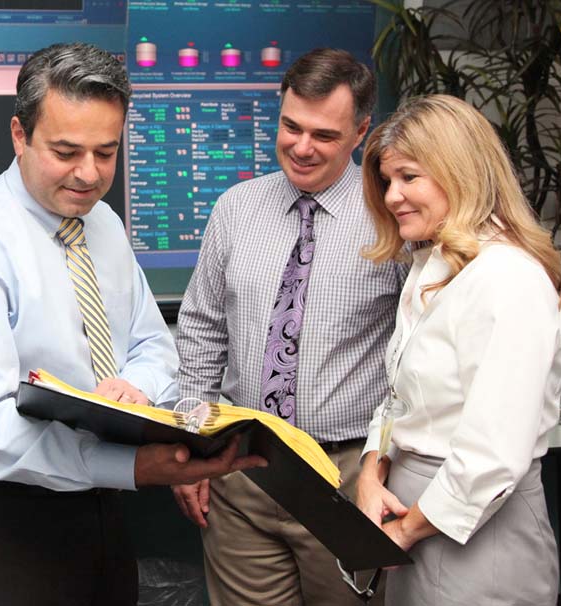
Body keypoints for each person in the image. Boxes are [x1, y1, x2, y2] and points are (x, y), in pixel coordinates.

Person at [0, 42, 264, 606]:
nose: (89, 174)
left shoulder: (101, 224)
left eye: (106, 151)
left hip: (99, 502)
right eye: (67, 150)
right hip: (0, 514)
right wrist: (131, 466)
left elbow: (153, 346)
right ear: (19, 135)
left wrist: (135, 389)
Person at [173, 48, 406, 605]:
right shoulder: (235, 208)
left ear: (361, 132)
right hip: (242, 473)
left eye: (324, 135)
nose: (301, 148)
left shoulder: (393, 218)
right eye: (290, 126)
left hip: (346, 477)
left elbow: (417, 357)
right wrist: (190, 449)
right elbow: (202, 332)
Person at [355, 94, 561, 606]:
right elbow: (399, 397)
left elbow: (492, 454)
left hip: (475, 530)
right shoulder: (433, 266)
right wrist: (372, 469)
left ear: (461, 174)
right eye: (388, 181)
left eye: (409, 177)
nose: (391, 197)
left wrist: (406, 531)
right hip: (414, 515)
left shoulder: (508, 277)